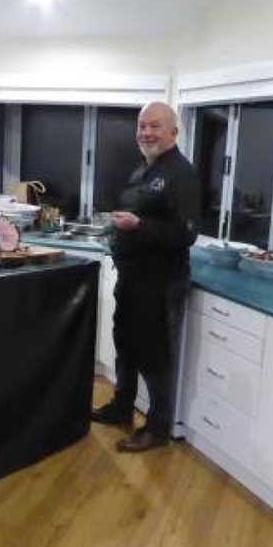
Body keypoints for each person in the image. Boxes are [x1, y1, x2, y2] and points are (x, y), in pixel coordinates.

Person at [91, 101, 200, 452]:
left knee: (155, 356)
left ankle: (157, 429)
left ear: (173, 132)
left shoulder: (182, 173)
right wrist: (117, 226)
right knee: (126, 344)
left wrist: (138, 225)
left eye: (155, 126)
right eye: (142, 126)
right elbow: (140, 213)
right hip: (132, 278)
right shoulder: (144, 169)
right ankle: (122, 407)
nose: (147, 132)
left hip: (161, 283)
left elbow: (186, 234)